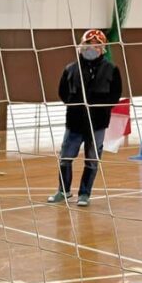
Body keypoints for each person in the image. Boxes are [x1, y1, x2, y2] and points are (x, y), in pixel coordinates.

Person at [47, 28, 122, 207]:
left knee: (92, 161)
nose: (92, 48)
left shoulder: (111, 69)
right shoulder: (70, 69)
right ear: (81, 46)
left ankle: (84, 194)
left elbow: (115, 95)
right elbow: (63, 92)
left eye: (97, 45)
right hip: (74, 123)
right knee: (65, 158)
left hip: (97, 125)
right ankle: (63, 191)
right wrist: (76, 106)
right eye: (89, 44)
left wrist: (99, 109)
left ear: (103, 49)